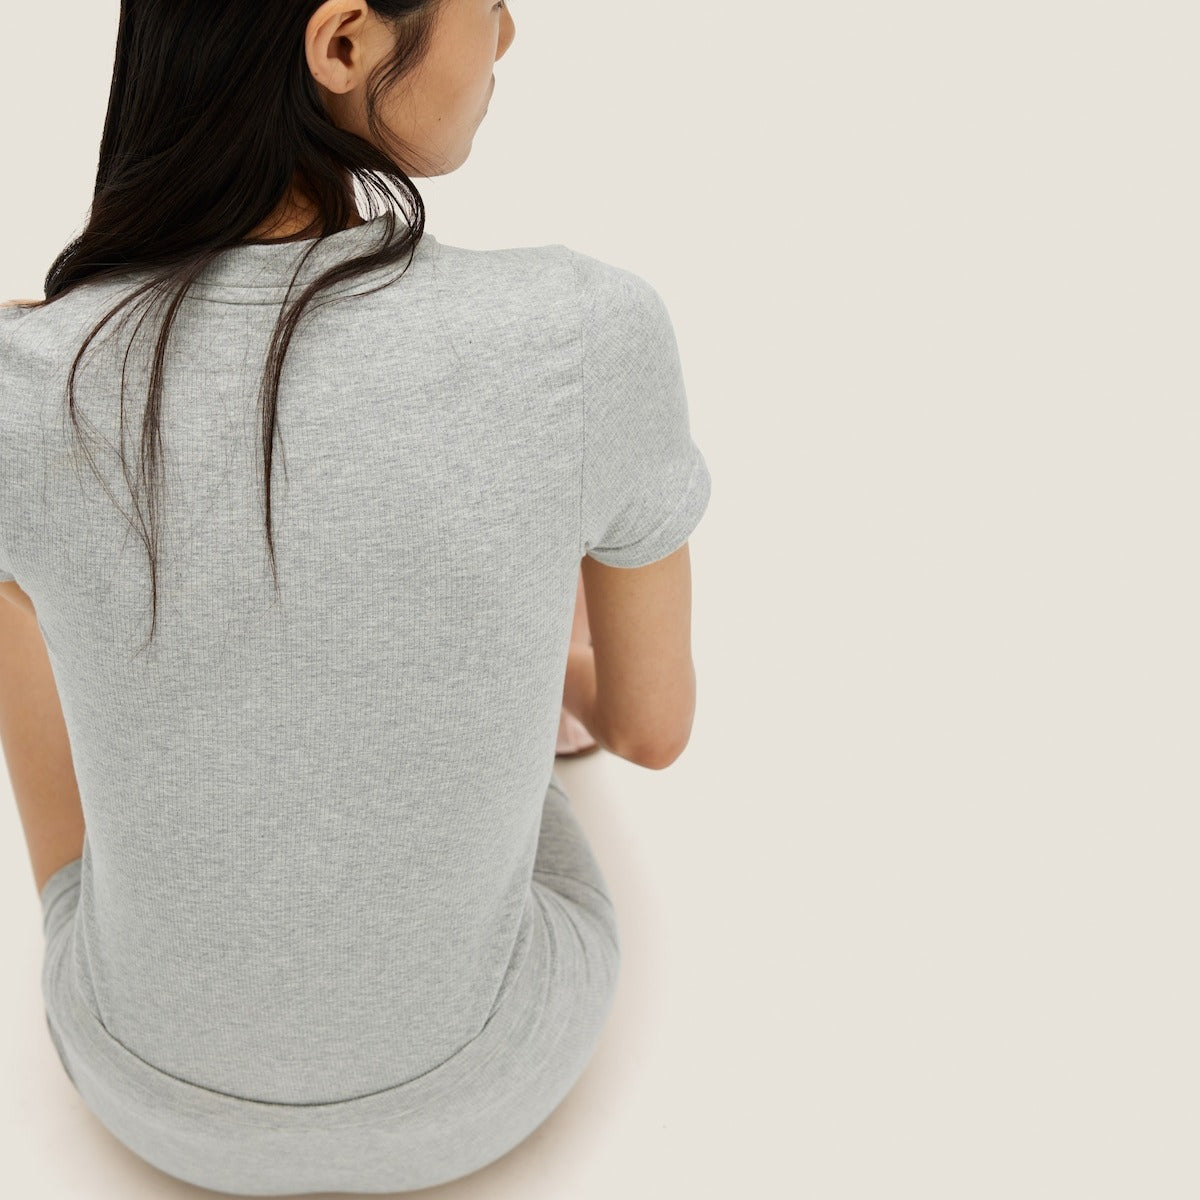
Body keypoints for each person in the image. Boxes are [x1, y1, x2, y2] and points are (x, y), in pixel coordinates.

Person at [0, 0, 711, 1192]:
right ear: (343, 43)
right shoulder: (584, 330)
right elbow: (650, 728)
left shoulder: (28, 387)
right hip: (488, 1083)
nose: (509, 33)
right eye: (488, 3)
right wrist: (538, 672)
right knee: (545, 534)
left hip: (146, 1098)